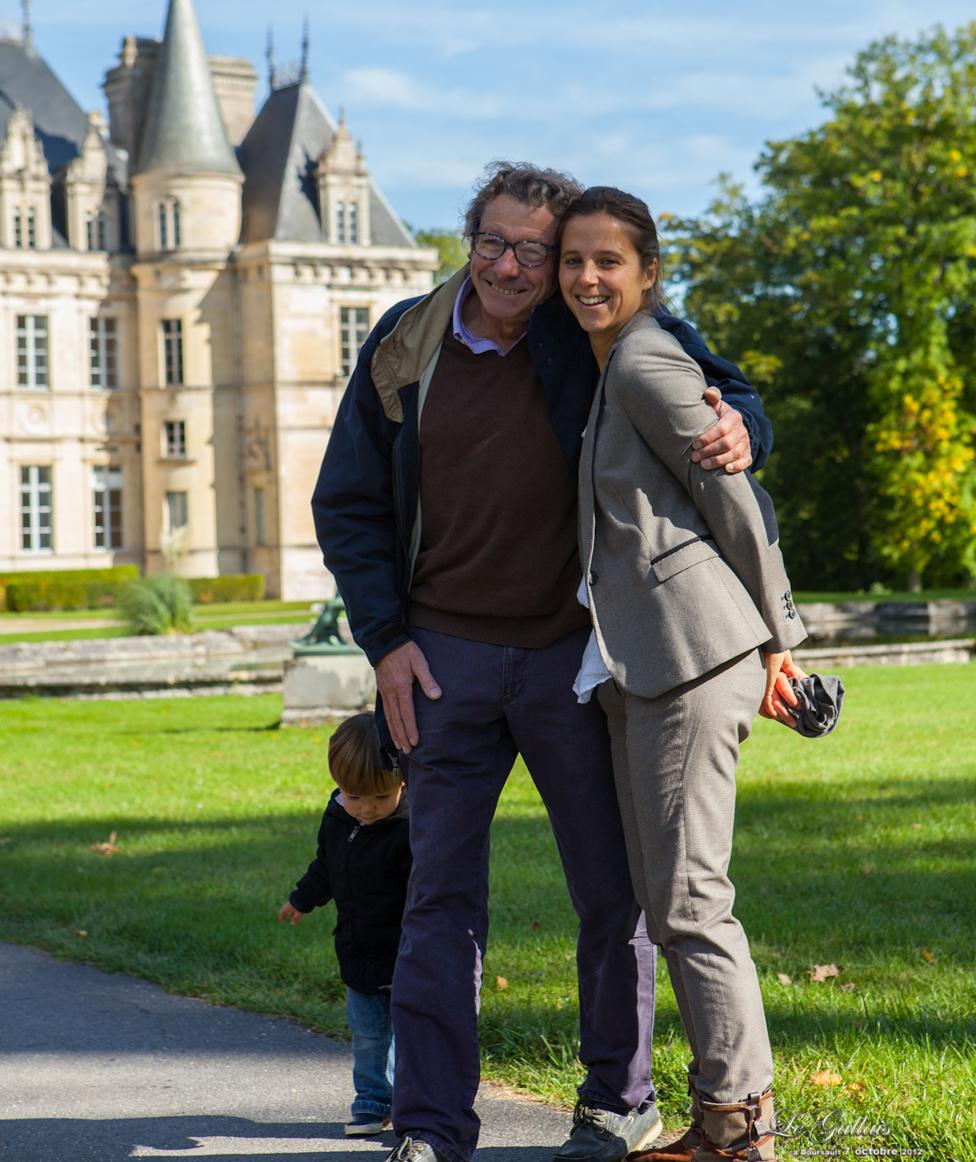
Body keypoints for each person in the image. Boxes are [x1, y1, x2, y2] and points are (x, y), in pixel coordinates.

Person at [311, 161, 774, 1162]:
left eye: (537, 249)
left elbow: (720, 395)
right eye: (494, 243)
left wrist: (745, 426)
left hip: (576, 659)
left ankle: (618, 1100)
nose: (515, 267)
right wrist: (387, 640)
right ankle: (431, 1125)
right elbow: (346, 501)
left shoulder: (593, 330)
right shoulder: (409, 339)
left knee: (613, 893)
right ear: (466, 239)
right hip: (442, 659)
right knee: (438, 894)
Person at [558, 187, 808, 1162]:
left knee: (691, 902)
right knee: (672, 900)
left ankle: (738, 1133)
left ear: (646, 271)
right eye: (573, 259)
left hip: (695, 659)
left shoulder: (647, 359)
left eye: (607, 260)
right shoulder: (608, 363)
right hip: (647, 663)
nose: (585, 277)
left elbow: (731, 493)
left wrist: (781, 634)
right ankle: (721, 1124)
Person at [278, 712, 411, 1137]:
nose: (367, 809)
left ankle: (412, 1101)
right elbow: (328, 866)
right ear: (338, 785)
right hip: (357, 949)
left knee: (409, 1034)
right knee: (369, 1035)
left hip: (405, 953)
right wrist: (302, 898)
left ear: (402, 784)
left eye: (380, 798)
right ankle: (372, 1103)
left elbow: (425, 893)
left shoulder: (408, 828)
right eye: (355, 797)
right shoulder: (338, 817)